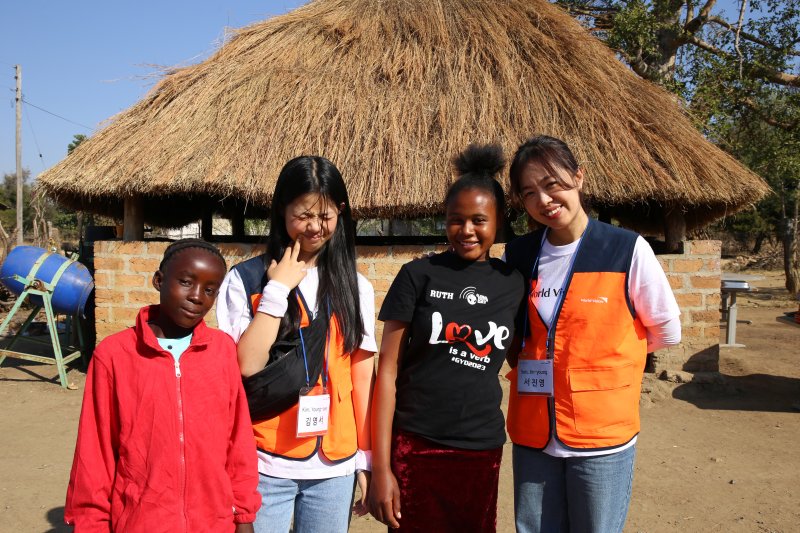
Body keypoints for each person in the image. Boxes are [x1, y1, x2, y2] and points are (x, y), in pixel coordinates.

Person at [503, 135, 681, 533]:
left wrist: (610, 361)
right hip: (534, 427)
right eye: (529, 192)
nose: (544, 200)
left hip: (602, 431)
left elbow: (666, 329)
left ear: (579, 177)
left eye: (552, 184)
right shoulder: (518, 254)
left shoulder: (626, 249)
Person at [368, 144, 525, 532]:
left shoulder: (513, 284)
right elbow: (386, 372)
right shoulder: (417, 276)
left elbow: (521, 356)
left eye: (479, 220)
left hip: (480, 448)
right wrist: (381, 467)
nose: (467, 230)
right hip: (416, 444)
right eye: (456, 220)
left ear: (499, 220)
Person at [217, 156, 376, 533]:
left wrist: (364, 458)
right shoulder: (245, 280)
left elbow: (361, 376)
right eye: (303, 214)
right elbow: (244, 366)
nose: (315, 227)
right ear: (281, 211)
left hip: (335, 464)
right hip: (263, 459)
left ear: (341, 212)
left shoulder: (357, 287)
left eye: (326, 215)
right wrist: (276, 291)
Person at [65, 239, 260, 532]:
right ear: (158, 280)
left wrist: (243, 516)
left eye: (210, 290)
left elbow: (239, 442)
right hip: (142, 522)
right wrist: (90, 524)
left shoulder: (222, 351)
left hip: (213, 522)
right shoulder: (115, 355)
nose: (197, 297)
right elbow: (94, 453)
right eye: (185, 281)